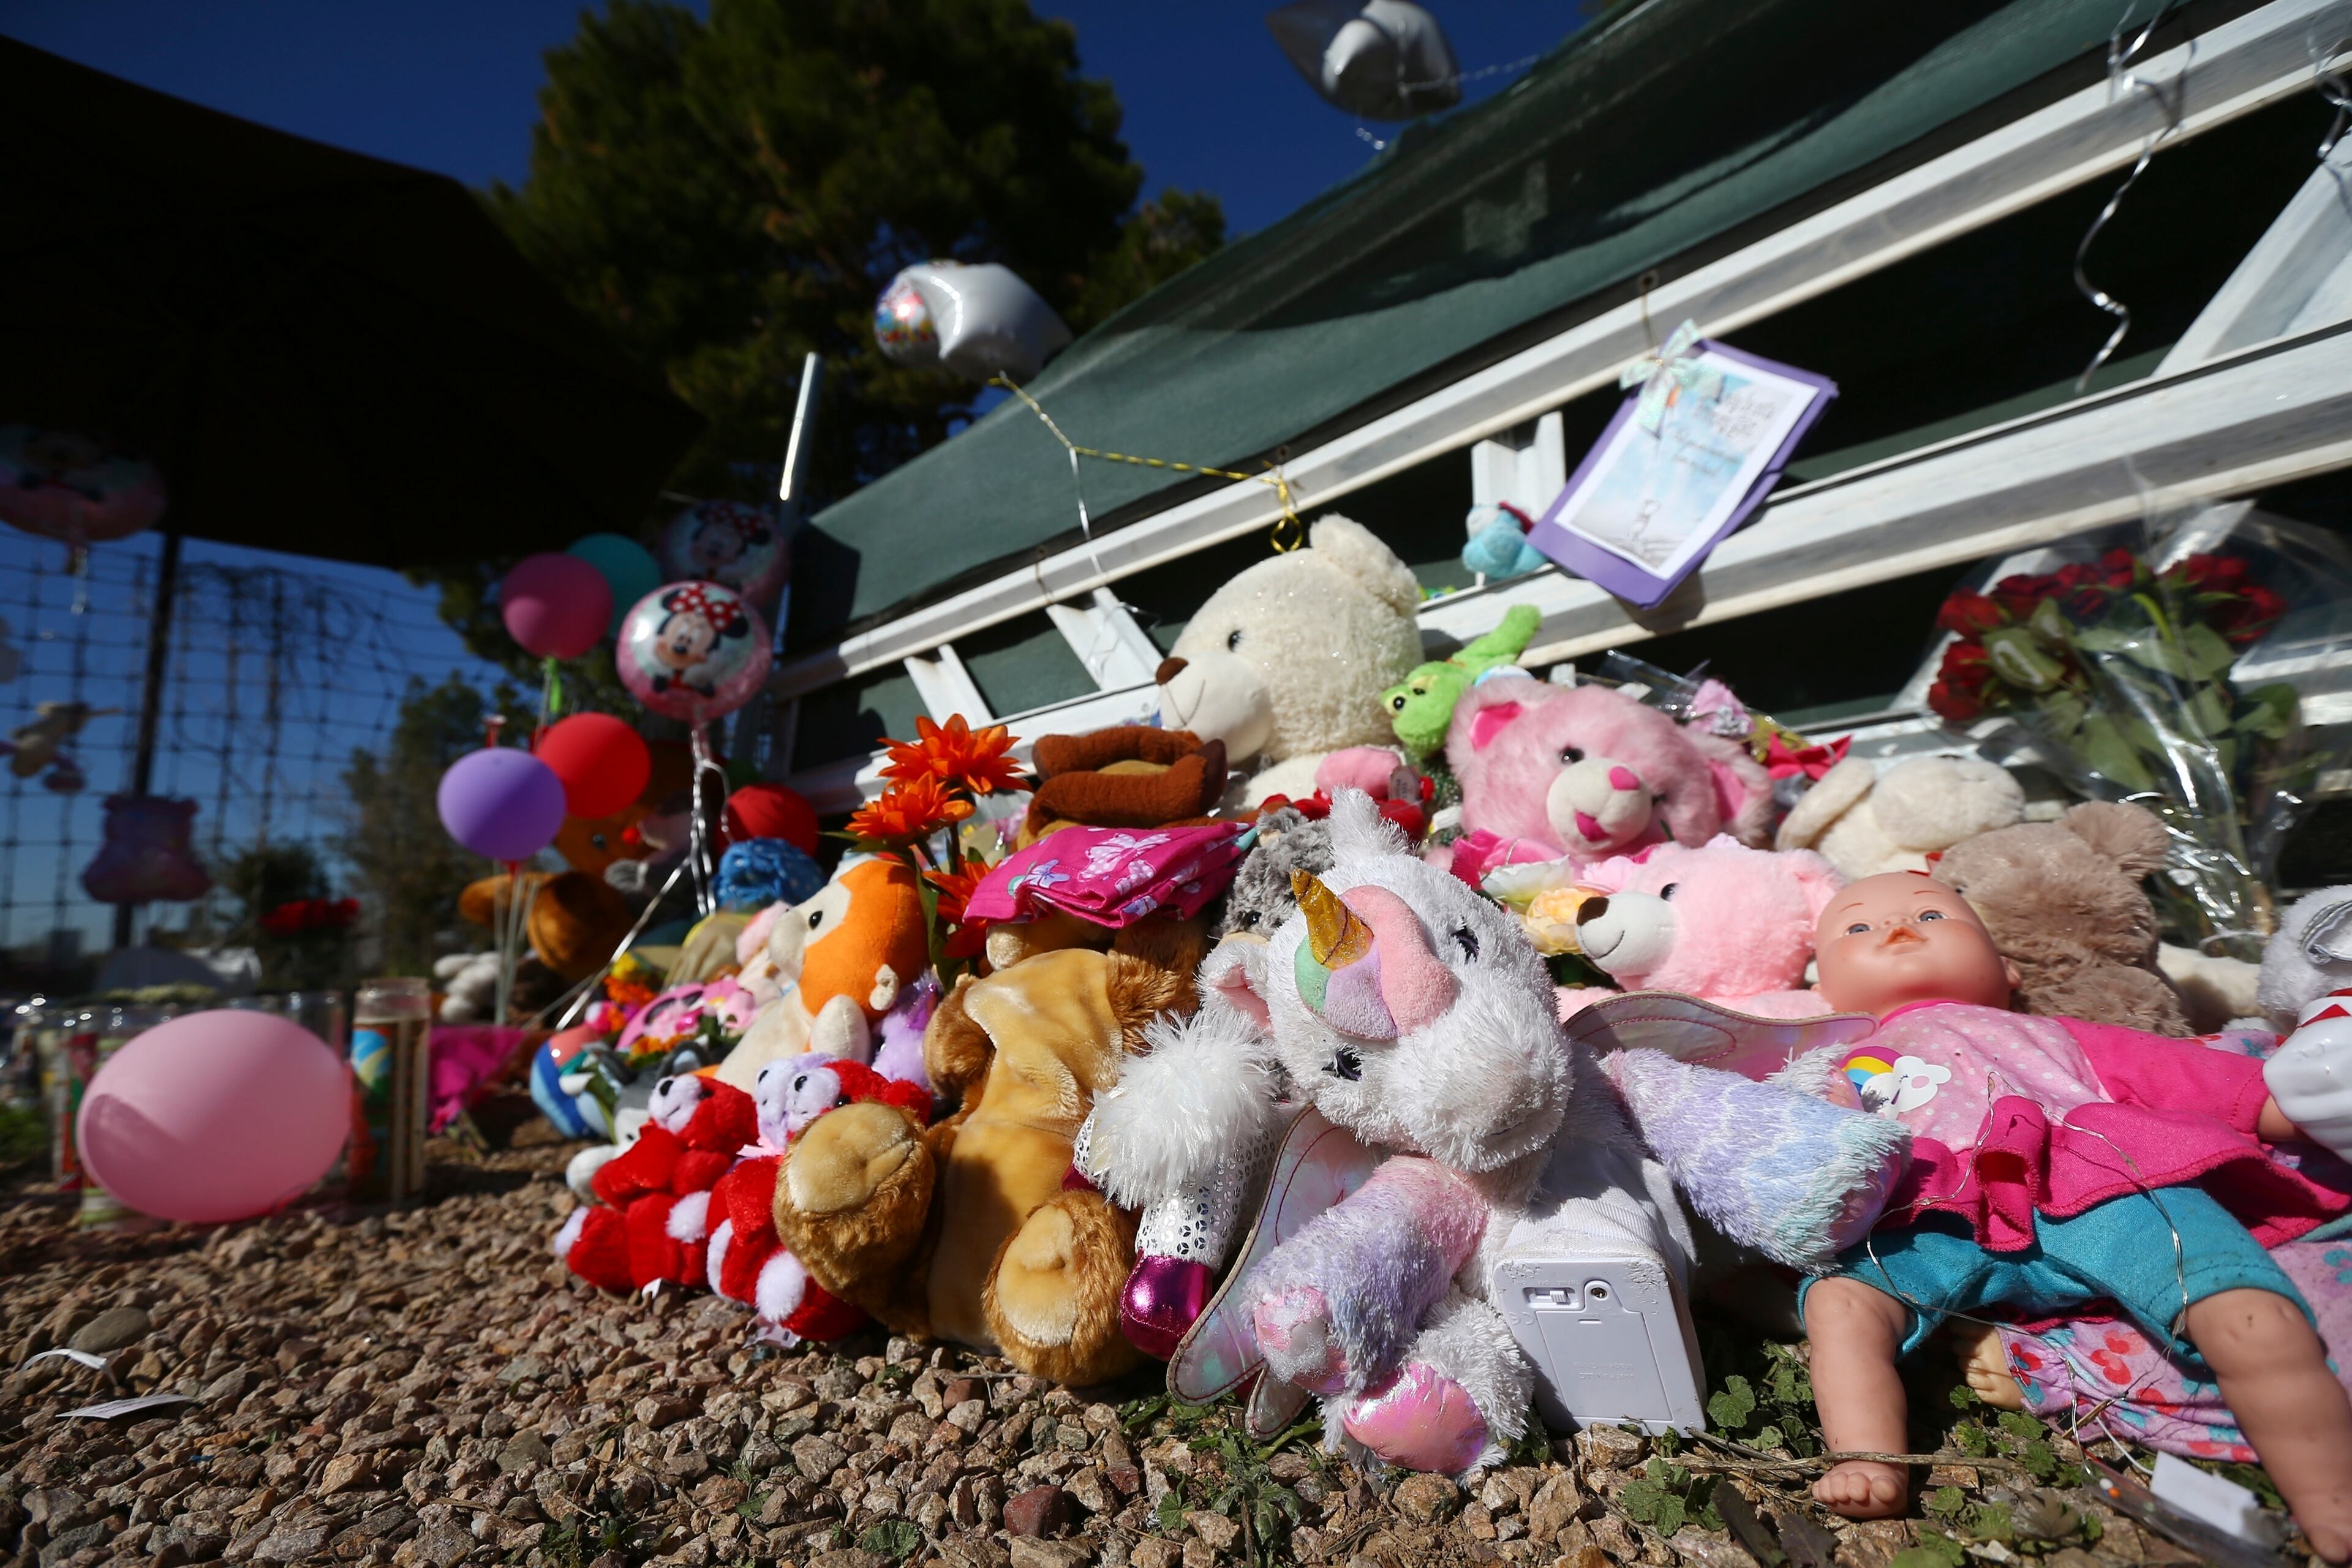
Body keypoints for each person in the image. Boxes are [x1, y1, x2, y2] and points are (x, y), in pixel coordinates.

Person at [1798, 872, 2352, 1559]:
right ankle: (1869, 1457)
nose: (1897, 929)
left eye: (1933, 913)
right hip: (1935, 1218)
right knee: (1840, 1305)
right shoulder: (1830, 1067)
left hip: (2100, 1184)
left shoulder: (2056, 1033)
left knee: (2248, 1311)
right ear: (1821, 989)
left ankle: (2333, 1500)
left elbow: (2185, 1076)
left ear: (2008, 968)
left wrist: (2308, 1106)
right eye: (1856, 928)